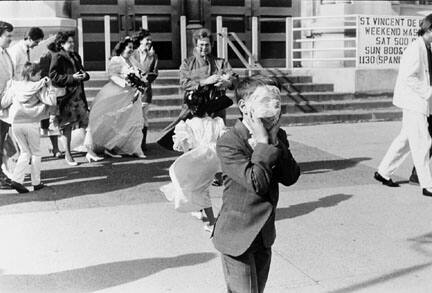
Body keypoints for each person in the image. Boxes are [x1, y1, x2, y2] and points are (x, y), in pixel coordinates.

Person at [213, 75, 300, 293]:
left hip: (263, 235)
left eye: (277, 102)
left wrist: (276, 142)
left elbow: (290, 176)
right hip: (237, 237)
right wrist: (263, 143)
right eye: (266, 101)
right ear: (244, 106)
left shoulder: (277, 135)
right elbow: (257, 183)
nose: (274, 107)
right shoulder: (229, 141)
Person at [374, 14, 432, 197]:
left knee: (405, 140)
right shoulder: (416, 49)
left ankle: (383, 172)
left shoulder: (425, 47)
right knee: (423, 142)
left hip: (416, 101)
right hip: (414, 102)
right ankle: (427, 185)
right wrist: (428, 91)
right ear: (430, 30)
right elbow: (409, 77)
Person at [160, 89, 232, 232]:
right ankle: (201, 210)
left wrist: (189, 154)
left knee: (198, 188)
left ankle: (212, 222)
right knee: (200, 187)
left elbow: (184, 145)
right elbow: (223, 139)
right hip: (213, 158)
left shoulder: (187, 125)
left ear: (190, 109)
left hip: (197, 157)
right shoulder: (216, 123)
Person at [157, 28, 237, 151]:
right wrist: (204, 82)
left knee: (216, 140)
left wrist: (227, 82)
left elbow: (235, 78)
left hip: (216, 107)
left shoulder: (221, 63)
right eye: (201, 45)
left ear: (212, 45)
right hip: (195, 107)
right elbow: (184, 83)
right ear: (196, 45)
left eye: (207, 45)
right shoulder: (187, 63)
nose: (204, 48)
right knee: (195, 140)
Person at [1, 62, 56, 193]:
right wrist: (50, 87)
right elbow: (52, 101)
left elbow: (3, 104)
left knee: (24, 152)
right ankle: (36, 182)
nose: (40, 76)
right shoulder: (38, 87)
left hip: (16, 124)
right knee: (36, 153)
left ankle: (17, 179)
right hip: (31, 122)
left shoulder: (15, 87)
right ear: (32, 74)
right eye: (38, 74)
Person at [49, 31, 102, 165]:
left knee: (86, 123)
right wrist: (71, 78)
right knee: (67, 126)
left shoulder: (76, 56)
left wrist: (84, 75)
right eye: (69, 42)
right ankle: (68, 154)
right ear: (61, 44)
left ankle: (90, 152)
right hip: (66, 98)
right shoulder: (58, 57)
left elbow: (82, 71)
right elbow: (53, 77)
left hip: (79, 96)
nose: (72, 44)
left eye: (73, 42)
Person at [88, 38, 146, 158]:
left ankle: (136, 148)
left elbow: (141, 74)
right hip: (119, 94)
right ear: (122, 48)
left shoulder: (133, 60)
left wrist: (140, 85)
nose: (131, 50)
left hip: (134, 95)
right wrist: (125, 83)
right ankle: (113, 147)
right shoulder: (116, 60)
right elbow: (112, 75)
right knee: (118, 121)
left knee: (135, 121)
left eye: (132, 47)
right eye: (129, 47)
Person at [131, 29, 158, 152]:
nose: (149, 42)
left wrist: (146, 79)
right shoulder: (132, 54)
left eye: (150, 40)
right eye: (147, 39)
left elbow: (155, 73)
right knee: (132, 117)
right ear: (140, 40)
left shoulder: (153, 56)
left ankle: (142, 143)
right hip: (132, 91)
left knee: (143, 116)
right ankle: (131, 143)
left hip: (145, 91)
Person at [39, 40, 61, 158]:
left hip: (56, 91)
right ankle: (55, 148)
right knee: (52, 120)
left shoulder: (56, 54)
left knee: (54, 121)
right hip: (48, 91)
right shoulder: (48, 55)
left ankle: (56, 148)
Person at [0, 21, 15, 189]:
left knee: (1, 141)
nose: (10, 39)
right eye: (8, 36)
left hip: (5, 104)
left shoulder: (6, 53)